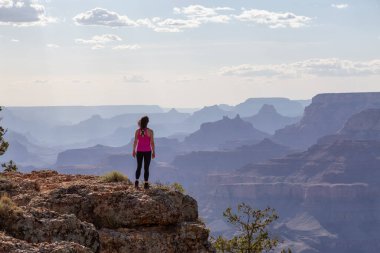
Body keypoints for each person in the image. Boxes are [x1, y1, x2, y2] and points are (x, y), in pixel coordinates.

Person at [132, 116, 155, 189]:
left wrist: (133, 150)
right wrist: (153, 152)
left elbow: (135, 141)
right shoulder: (150, 131)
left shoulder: (137, 131)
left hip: (139, 151)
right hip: (148, 151)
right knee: (146, 168)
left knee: (139, 166)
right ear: (147, 122)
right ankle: (146, 184)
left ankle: (136, 182)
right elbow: (152, 143)